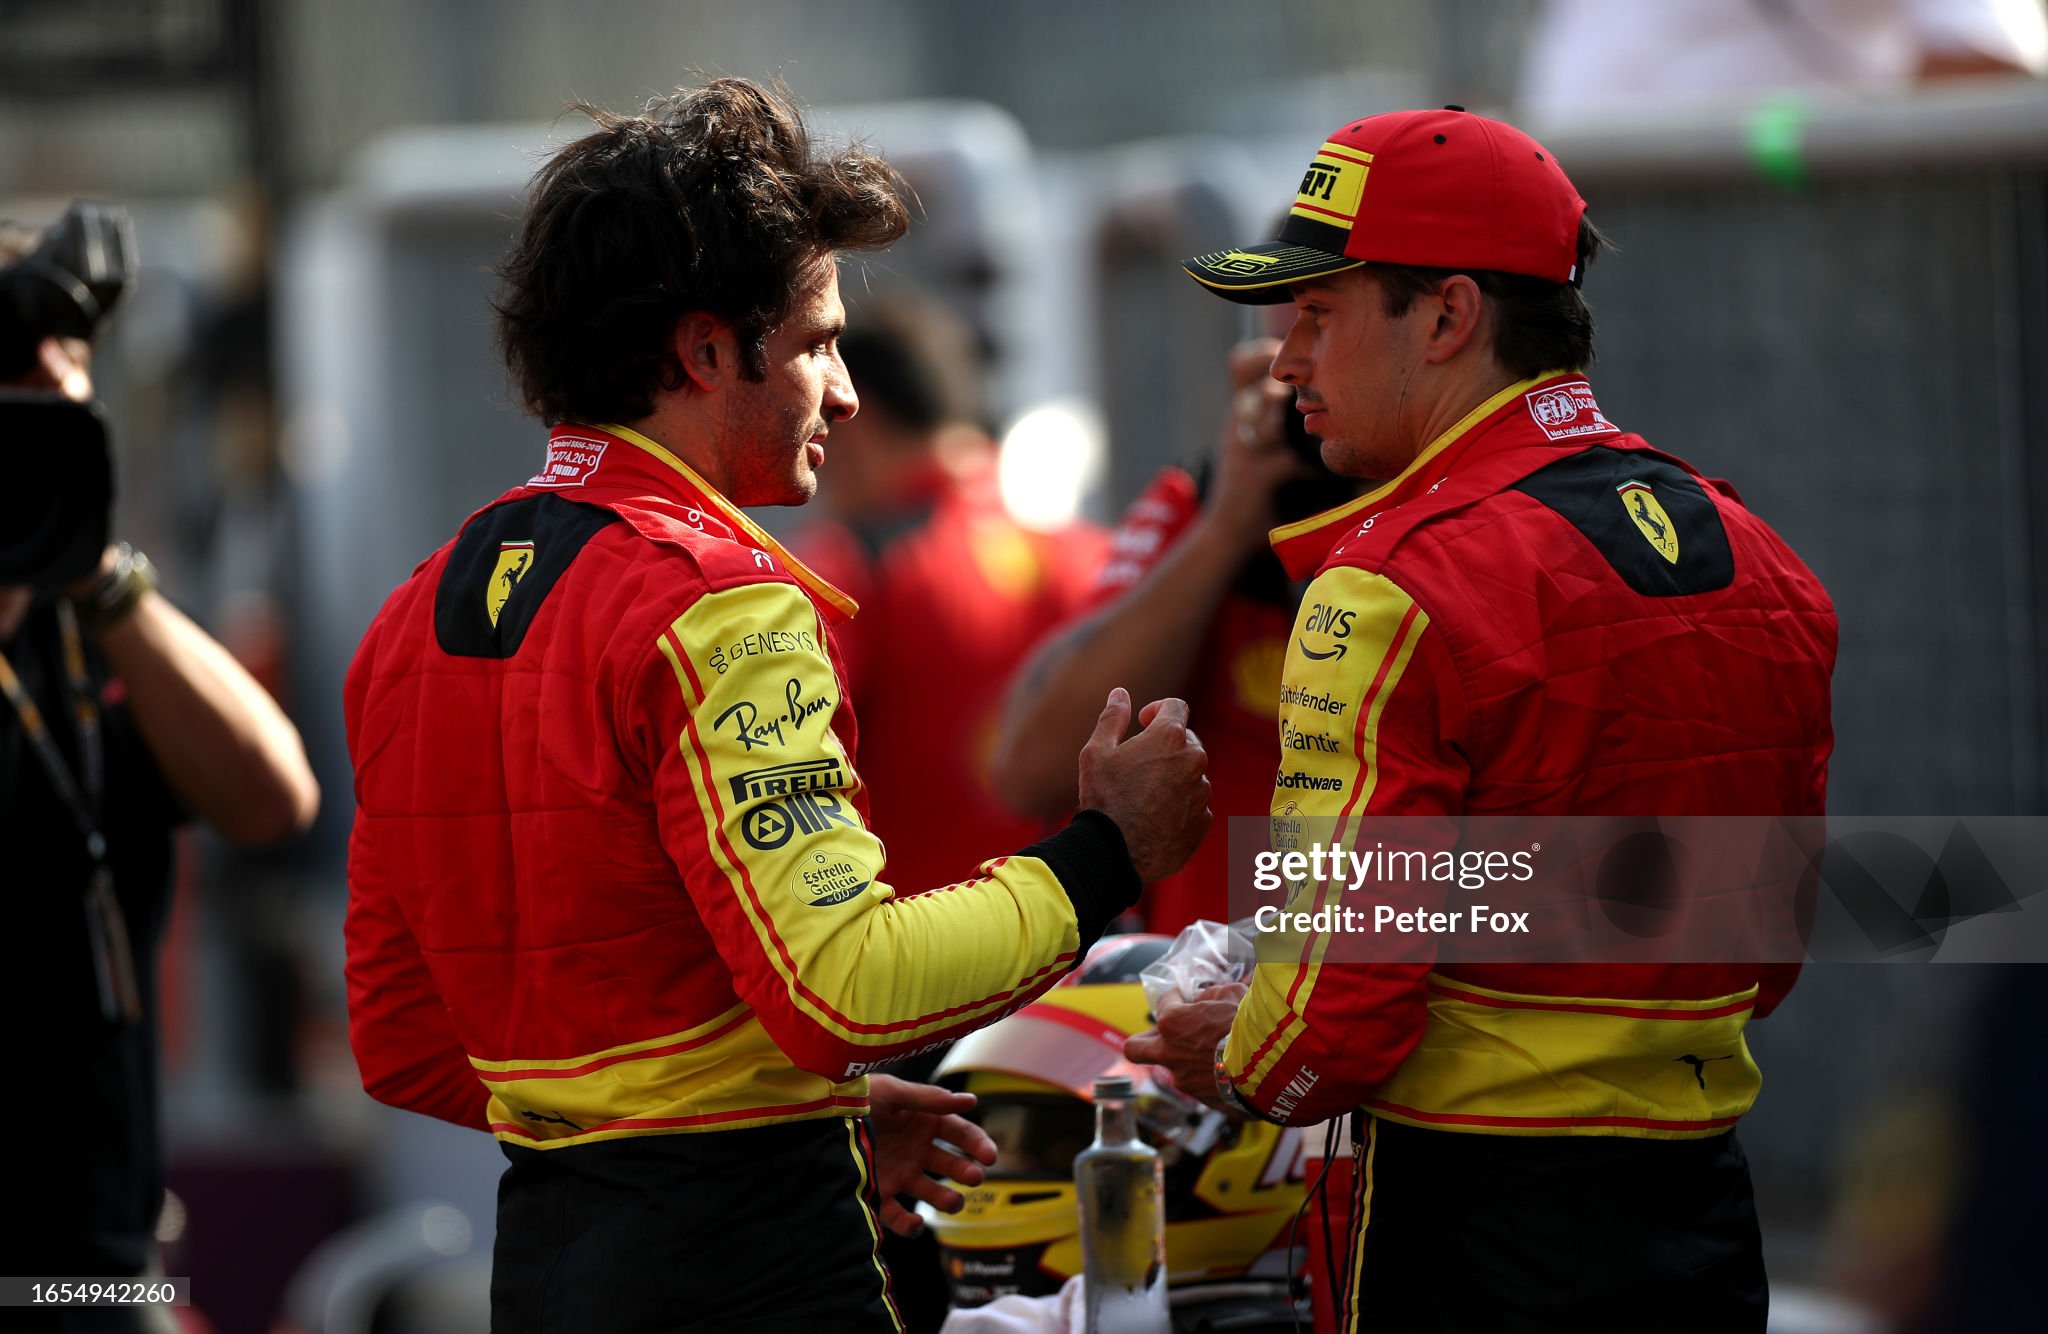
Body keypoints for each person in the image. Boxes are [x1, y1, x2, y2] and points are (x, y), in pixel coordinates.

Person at [341, 78, 1210, 1333]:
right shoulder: (719, 601)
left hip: (541, 1259)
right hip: (749, 1262)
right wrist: (1103, 852)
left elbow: (402, 1036)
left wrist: (801, 1111)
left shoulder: (415, 606)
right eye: (816, 342)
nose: (845, 392)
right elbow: (844, 989)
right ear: (704, 351)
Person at [1126, 107, 1836, 1332]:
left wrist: (1232, 1053)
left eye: (1317, 314)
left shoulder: (1387, 587)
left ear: (1448, 317)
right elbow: (1758, 940)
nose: (1284, 360)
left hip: (1468, 1224)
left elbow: (1328, 1026)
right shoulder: (1763, 557)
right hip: (1705, 1213)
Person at [0, 301, 320, 1320]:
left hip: (92, 1266)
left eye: (62, 418)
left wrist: (97, 567)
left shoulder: (95, 629)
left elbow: (275, 797)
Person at [994, 334, 1359, 935]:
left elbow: (1543, 873)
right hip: (1197, 995)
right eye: (1274, 343)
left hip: (1387, 988)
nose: (1291, 366)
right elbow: (1031, 767)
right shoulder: (1212, 501)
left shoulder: (1492, 525)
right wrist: (1226, 528)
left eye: (1323, 321)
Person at [790, 292, 1108, 896]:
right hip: (1081, 947)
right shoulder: (1097, 554)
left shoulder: (848, 566)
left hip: (917, 961)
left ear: (861, 417)